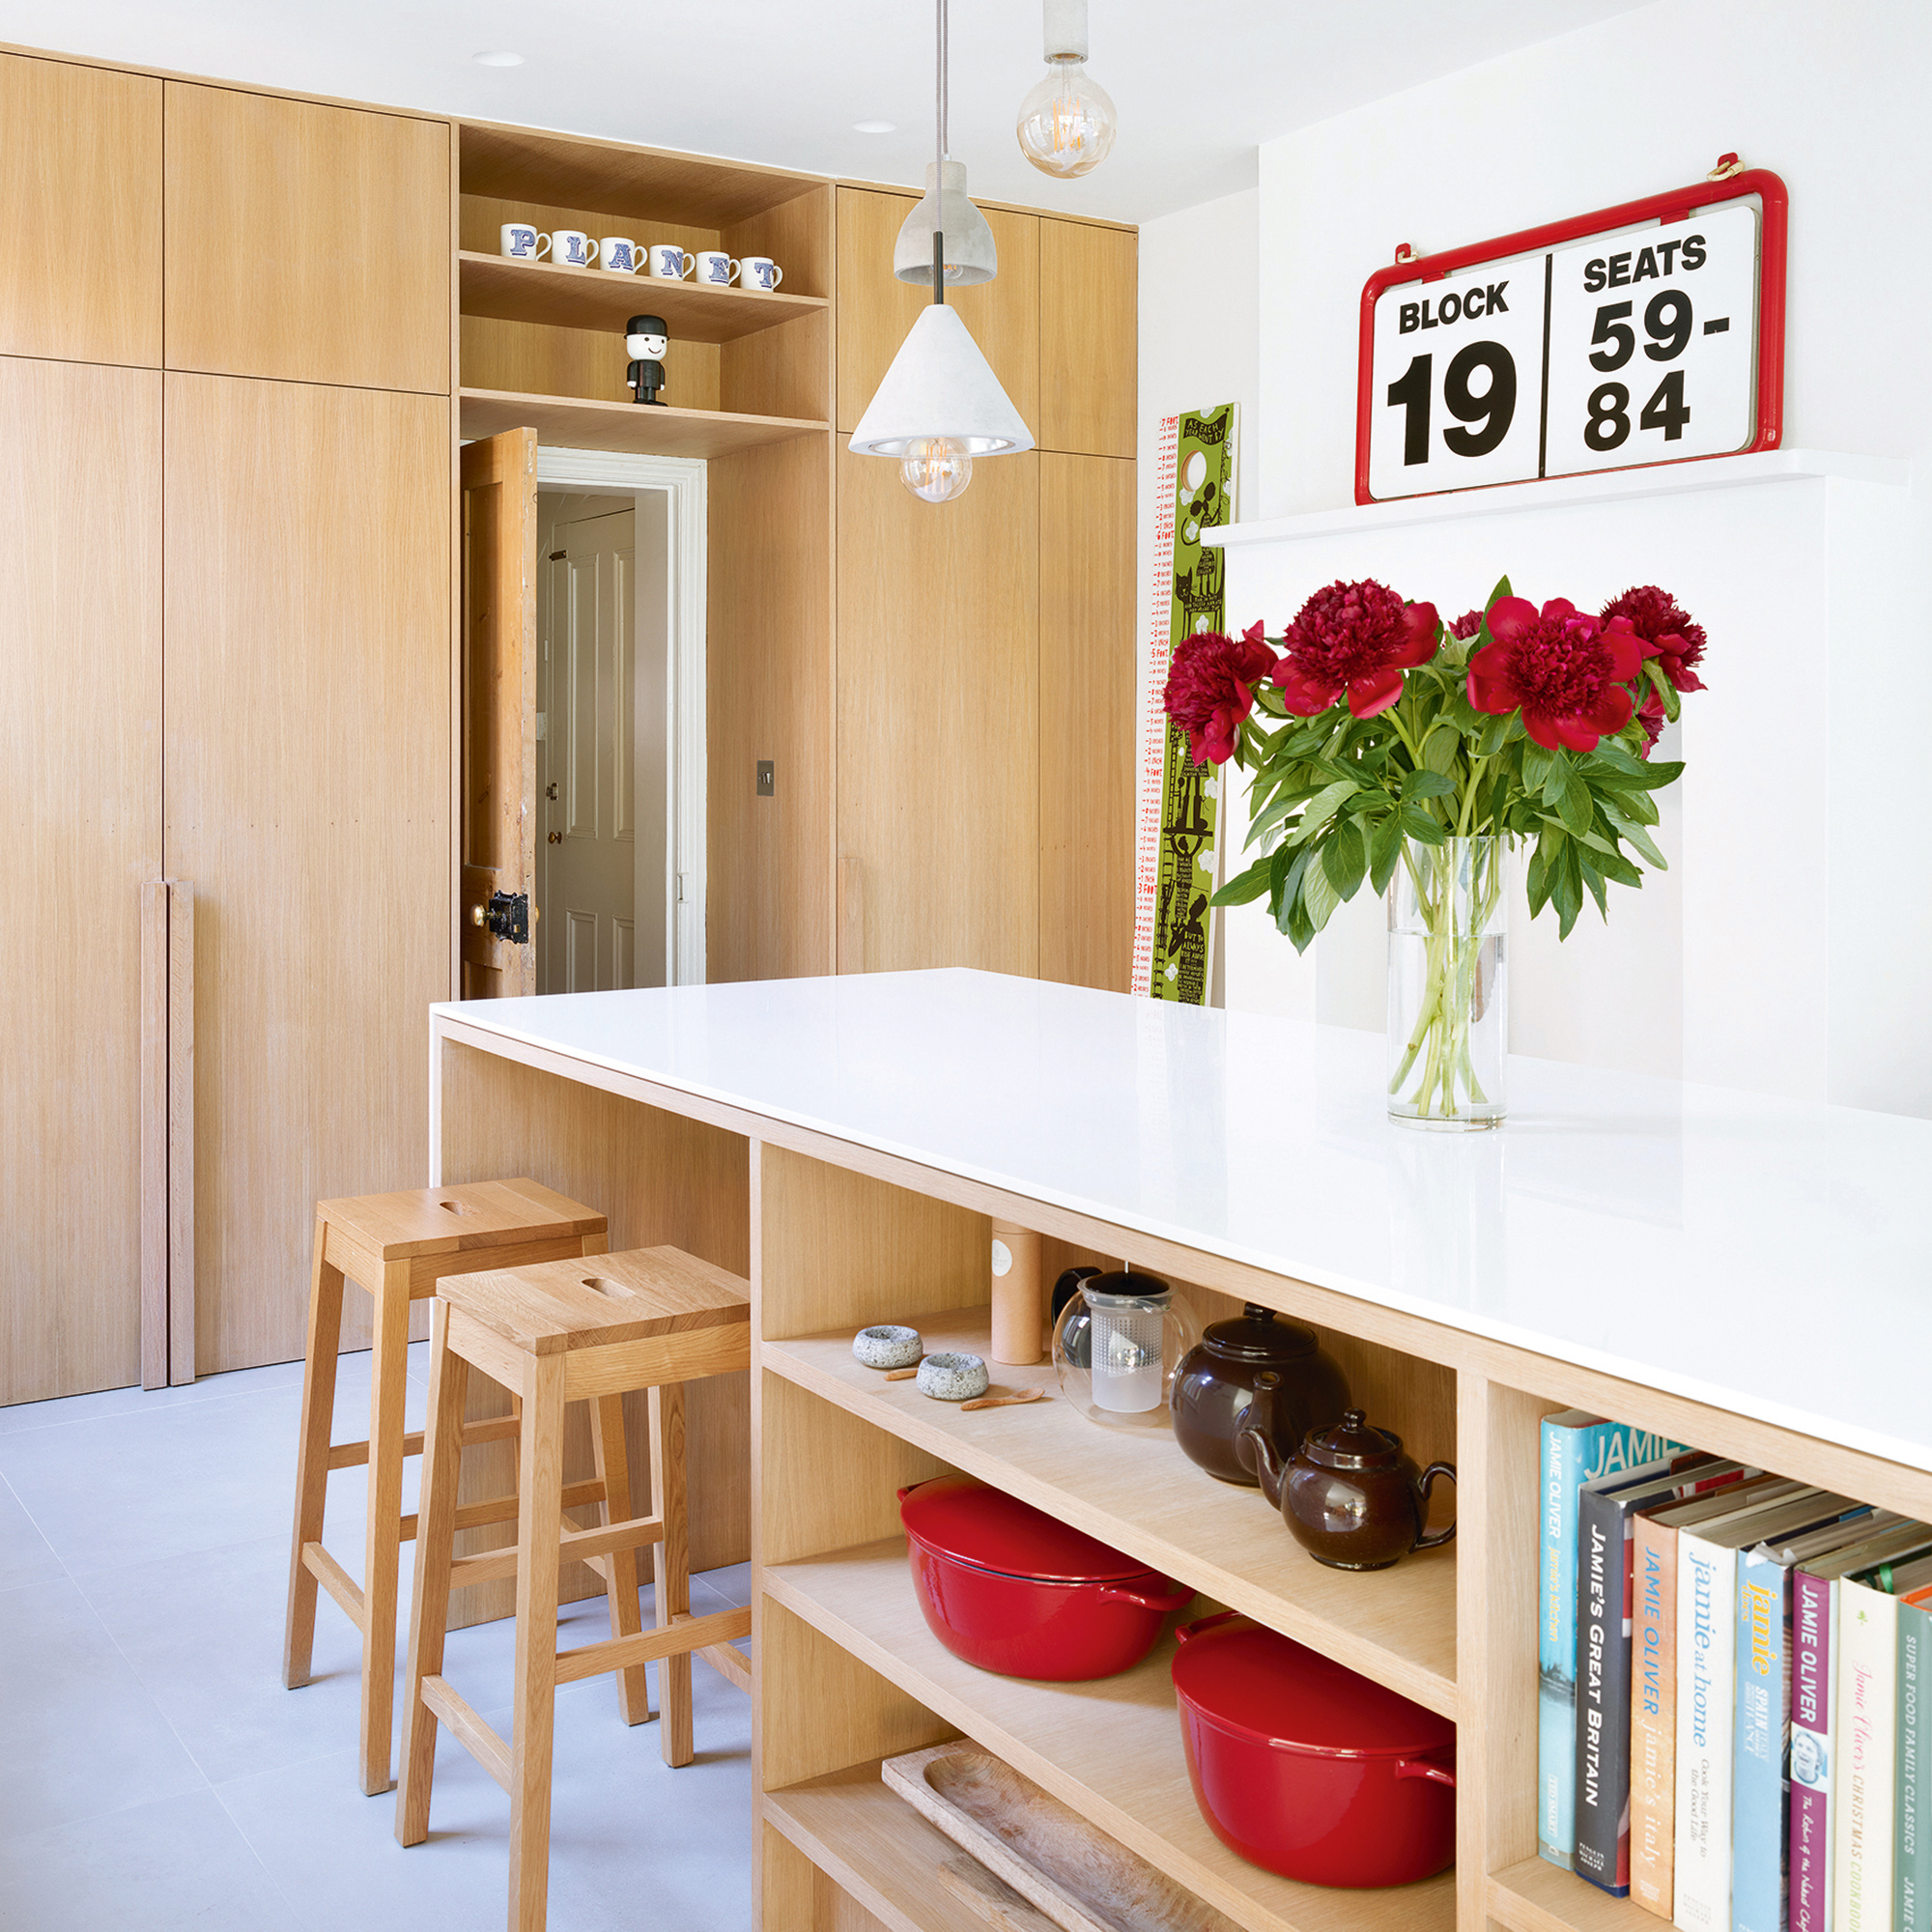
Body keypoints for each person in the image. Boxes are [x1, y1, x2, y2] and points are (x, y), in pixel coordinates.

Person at [625, 315, 669, 405]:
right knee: (641, 389)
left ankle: (651, 400)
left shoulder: (658, 365)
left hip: (653, 382)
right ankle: (641, 398)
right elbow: (633, 369)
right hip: (640, 383)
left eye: (662, 341)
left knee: (651, 390)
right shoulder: (636, 364)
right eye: (646, 339)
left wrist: (661, 383)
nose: (655, 346)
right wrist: (632, 381)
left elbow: (661, 372)